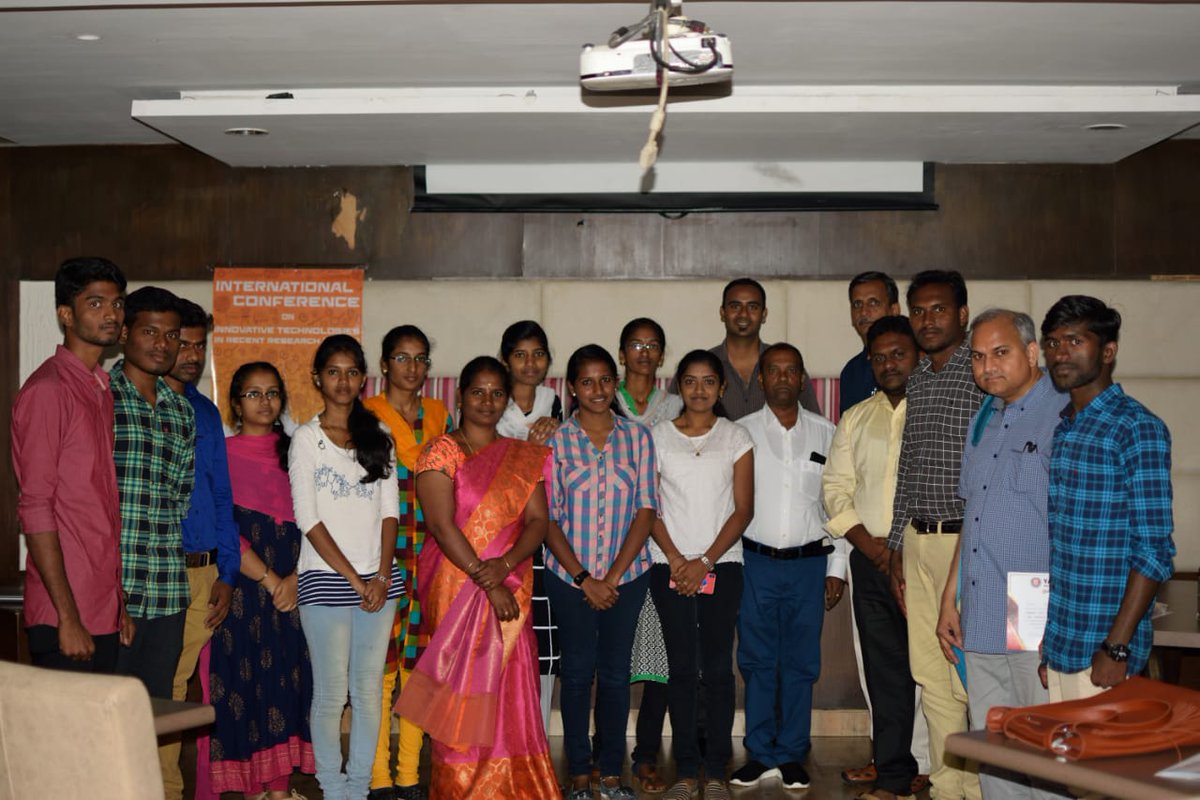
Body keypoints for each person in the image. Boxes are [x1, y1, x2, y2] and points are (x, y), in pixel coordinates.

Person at [395, 356, 560, 798]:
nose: (487, 401)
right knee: (462, 691)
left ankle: (512, 786)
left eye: (497, 393)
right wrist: (488, 582)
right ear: (461, 396)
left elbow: (538, 522)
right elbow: (441, 525)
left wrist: (504, 568)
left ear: (506, 400)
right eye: (478, 392)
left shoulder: (521, 456)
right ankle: (462, 787)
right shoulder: (439, 451)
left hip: (511, 584)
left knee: (511, 688)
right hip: (455, 585)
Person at [935, 309, 1066, 800]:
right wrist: (949, 598)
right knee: (993, 743)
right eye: (977, 357)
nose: (987, 366)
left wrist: (1066, 619)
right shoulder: (983, 418)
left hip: (1035, 607)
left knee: (1042, 743)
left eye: (1000, 353)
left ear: (1032, 353)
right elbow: (973, 516)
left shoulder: (1064, 413)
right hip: (982, 604)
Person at [1039, 296, 1174, 702]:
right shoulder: (1066, 428)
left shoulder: (1136, 427)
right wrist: (1051, 645)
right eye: (1052, 343)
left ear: (1108, 351)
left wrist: (1116, 647)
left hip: (1106, 654)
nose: (1060, 353)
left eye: (1075, 341)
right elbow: (1065, 549)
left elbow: (1154, 550)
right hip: (1063, 644)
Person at [289, 335, 404, 800]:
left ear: (363, 379)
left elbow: (391, 513)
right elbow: (308, 518)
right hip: (325, 581)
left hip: (378, 583)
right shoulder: (306, 439)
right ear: (317, 378)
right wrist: (356, 580)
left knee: (370, 692)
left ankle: (358, 789)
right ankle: (333, 789)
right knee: (332, 694)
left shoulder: (380, 435)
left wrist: (381, 577)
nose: (343, 381)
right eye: (333, 372)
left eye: (352, 372)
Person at [543, 345, 659, 800]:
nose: (597, 390)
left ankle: (610, 773)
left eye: (605, 380)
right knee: (575, 674)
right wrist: (583, 579)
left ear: (616, 383)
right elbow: (548, 518)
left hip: (626, 578)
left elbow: (646, 510)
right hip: (567, 577)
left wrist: (610, 578)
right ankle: (578, 774)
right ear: (572, 387)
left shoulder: (638, 438)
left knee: (614, 675)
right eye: (587, 381)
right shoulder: (556, 441)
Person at [730, 343, 845, 791]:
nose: (782, 377)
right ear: (761, 379)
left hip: (808, 564)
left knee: (800, 662)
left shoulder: (827, 433)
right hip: (754, 562)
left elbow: (838, 503)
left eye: (790, 370)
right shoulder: (739, 433)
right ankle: (760, 752)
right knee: (757, 660)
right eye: (773, 370)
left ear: (802, 379)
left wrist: (837, 567)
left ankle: (793, 752)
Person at [886, 271, 983, 800]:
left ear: (962, 314)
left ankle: (987, 787)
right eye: (919, 311)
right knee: (930, 671)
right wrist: (896, 545)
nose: (927, 320)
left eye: (939, 309)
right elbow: (909, 467)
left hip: (967, 545)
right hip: (919, 541)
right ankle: (950, 787)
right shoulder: (919, 376)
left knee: (971, 670)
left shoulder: (982, 373)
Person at [13, 256, 131, 673]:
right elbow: (35, 508)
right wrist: (68, 616)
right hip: (65, 615)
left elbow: (99, 510)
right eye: (96, 304)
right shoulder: (49, 391)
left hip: (102, 608)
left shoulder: (99, 389)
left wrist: (117, 606)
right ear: (66, 314)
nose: (111, 314)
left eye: (117, 304)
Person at [823, 316, 923, 800]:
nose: (888, 364)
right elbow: (835, 488)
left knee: (937, 673)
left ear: (918, 355)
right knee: (885, 674)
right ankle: (894, 776)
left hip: (927, 557)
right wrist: (869, 546)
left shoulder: (941, 410)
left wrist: (901, 548)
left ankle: (940, 768)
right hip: (870, 557)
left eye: (898, 354)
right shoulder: (856, 418)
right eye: (879, 357)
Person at [205, 362, 314, 800]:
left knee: (289, 683)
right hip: (245, 587)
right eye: (253, 393)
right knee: (246, 685)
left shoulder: (298, 452)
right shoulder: (223, 455)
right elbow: (220, 526)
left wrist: (296, 578)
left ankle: (281, 790)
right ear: (236, 403)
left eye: (272, 393)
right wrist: (271, 580)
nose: (264, 401)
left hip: (296, 585)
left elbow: (318, 521)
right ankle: (254, 791)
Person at [649, 350, 754, 800]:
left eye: (708, 381)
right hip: (667, 565)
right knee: (680, 668)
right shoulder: (657, 437)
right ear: (678, 386)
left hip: (722, 566)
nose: (699, 390)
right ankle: (686, 771)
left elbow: (743, 510)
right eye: (690, 381)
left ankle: (715, 771)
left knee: (716, 669)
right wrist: (677, 559)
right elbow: (648, 506)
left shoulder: (736, 436)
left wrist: (705, 562)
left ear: (721, 388)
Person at [362, 324, 452, 800]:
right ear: (383, 364)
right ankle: (378, 776)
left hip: (431, 557)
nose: (412, 368)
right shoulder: (365, 416)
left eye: (420, 359)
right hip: (381, 557)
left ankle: (410, 774)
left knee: (420, 667)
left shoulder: (440, 415)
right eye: (402, 358)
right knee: (379, 668)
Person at [159, 298, 241, 800]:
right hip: (154, 569)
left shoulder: (206, 411)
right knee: (159, 688)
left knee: (177, 685)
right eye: (182, 343)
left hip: (204, 573)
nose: (191, 355)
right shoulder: (134, 401)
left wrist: (227, 573)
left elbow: (221, 496)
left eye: (198, 345)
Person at [111, 286, 196, 701]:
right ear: (125, 333)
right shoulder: (100, 397)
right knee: (104, 711)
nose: (162, 344)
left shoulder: (181, 411)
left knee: (155, 712)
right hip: (113, 590)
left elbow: (180, 498)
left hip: (167, 590)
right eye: (150, 332)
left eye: (172, 335)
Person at [617, 317, 682, 794]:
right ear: (622, 354)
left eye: (652, 345)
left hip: (662, 546)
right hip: (606, 547)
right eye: (635, 345)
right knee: (610, 656)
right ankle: (602, 750)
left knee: (662, 653)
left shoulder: (678, 406)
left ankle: (645, 754)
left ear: (662, 355)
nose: (644, 352)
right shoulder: (601, 400)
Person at [496, 319, 563, 731]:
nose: (529, 363)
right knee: (499, 639)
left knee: (544, 641)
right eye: (520, 354)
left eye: (538, 354)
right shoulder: (490, 399)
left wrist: (559, 429)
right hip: (498, 537)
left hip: (544, 534)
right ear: (506, 360)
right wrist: (526, 449)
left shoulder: (554, 402)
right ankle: (499, 736)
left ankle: (535, 733)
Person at [708, 278, 821, 420]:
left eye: (753, 307)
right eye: (735, 306)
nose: (743, 314)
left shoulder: (786, 364)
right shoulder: (702, 365)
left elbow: (813, 421)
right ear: (722, 312)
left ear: (764, 314)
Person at [839, 271, 902, 415]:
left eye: (873, 303)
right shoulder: (851, 372)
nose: (863, 312)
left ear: (894, 310)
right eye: (857, 304)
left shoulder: (914, 361)